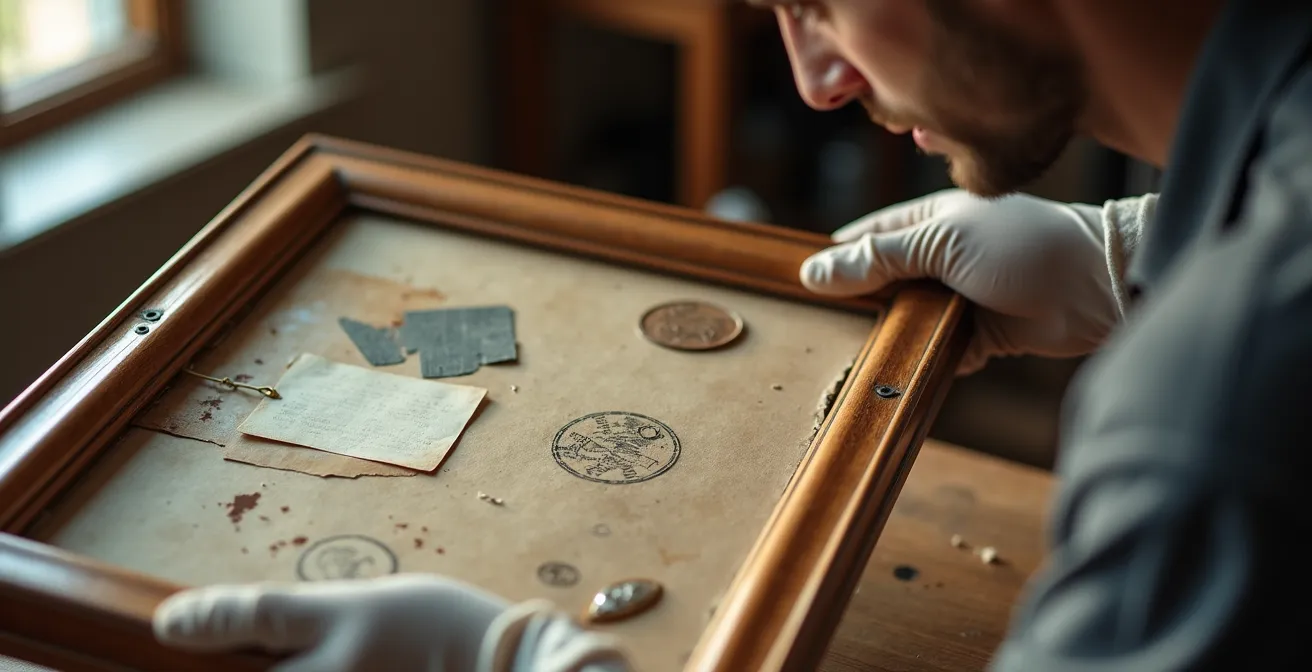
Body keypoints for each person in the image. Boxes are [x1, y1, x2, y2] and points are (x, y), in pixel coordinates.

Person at [152, 0, 1312, 669]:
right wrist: (1128, 255)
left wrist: (525, 661)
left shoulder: (1207, 423)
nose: (813, 79)